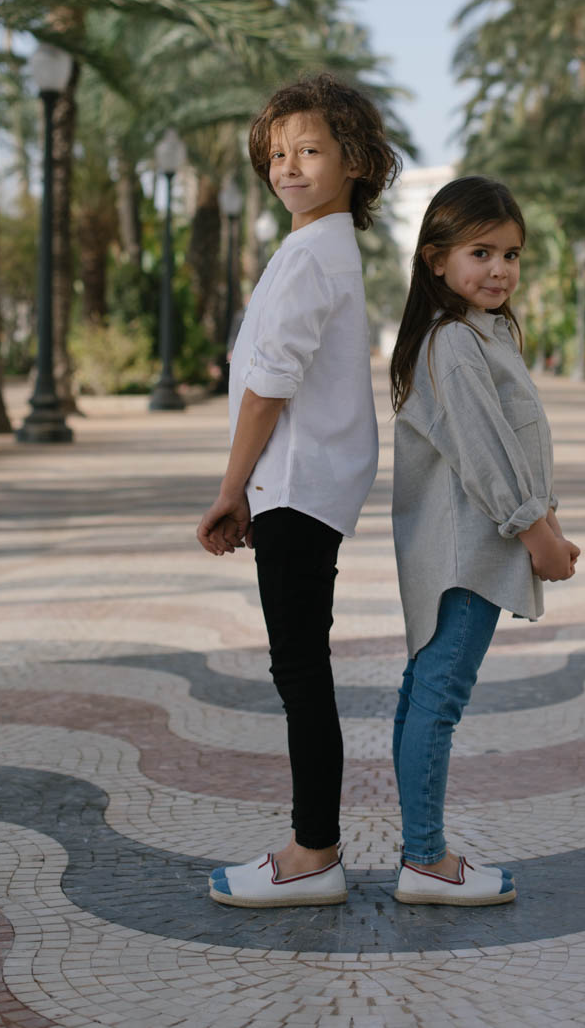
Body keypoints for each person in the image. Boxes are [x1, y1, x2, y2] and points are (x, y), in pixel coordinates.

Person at [197, 72, 400, 908]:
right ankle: (312, 844)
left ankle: (314, 851)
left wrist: (229, 488)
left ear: (355, 160)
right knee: (300, 670)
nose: (288, 167)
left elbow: (270, 382)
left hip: (295, 489)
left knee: (300, 673)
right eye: (277, 153)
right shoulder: (316, 246)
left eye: (309, 150)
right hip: (299, 486)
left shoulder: (316, 253)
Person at [389, 175, 580, 905]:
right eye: (481, 252)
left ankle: (421, 855)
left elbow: (514, 445)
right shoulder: (455, 343)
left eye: (512, 254)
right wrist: (538, 536)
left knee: (426, 695)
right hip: (466, 556)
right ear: (436, 260)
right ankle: (425, 861)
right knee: (439, 698)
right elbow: (486, 456)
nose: (500, 269)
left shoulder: (482, 337)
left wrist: (549, 523)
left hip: (466, 549)